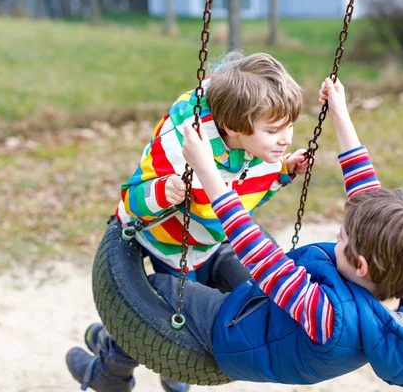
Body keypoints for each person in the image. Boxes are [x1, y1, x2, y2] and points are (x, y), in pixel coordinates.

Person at [67, 77, 403, 390]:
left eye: (341, 238)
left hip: (231, 337)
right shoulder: (400, 281)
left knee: (160, 291)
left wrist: (205, 170)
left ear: (362, 265)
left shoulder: (330, 318)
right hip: (262, 316)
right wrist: (340, 113)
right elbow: (366, 196)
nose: (338, 235)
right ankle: (151, 369)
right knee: (209, 264)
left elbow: (252, 246)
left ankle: (110, 367)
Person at [67, 52, 309, 392]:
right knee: (163, 312)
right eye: (274, 130)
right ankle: (110, 371)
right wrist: (165, 190)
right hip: (164, 240)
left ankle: (135, 357)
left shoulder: (262, 149)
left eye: (290, 126)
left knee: (186, 306)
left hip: (205, 241)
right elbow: (131, 200)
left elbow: (241, 196)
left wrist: (284, 172)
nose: (286, 139)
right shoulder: (183, 146)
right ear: (234, 127)